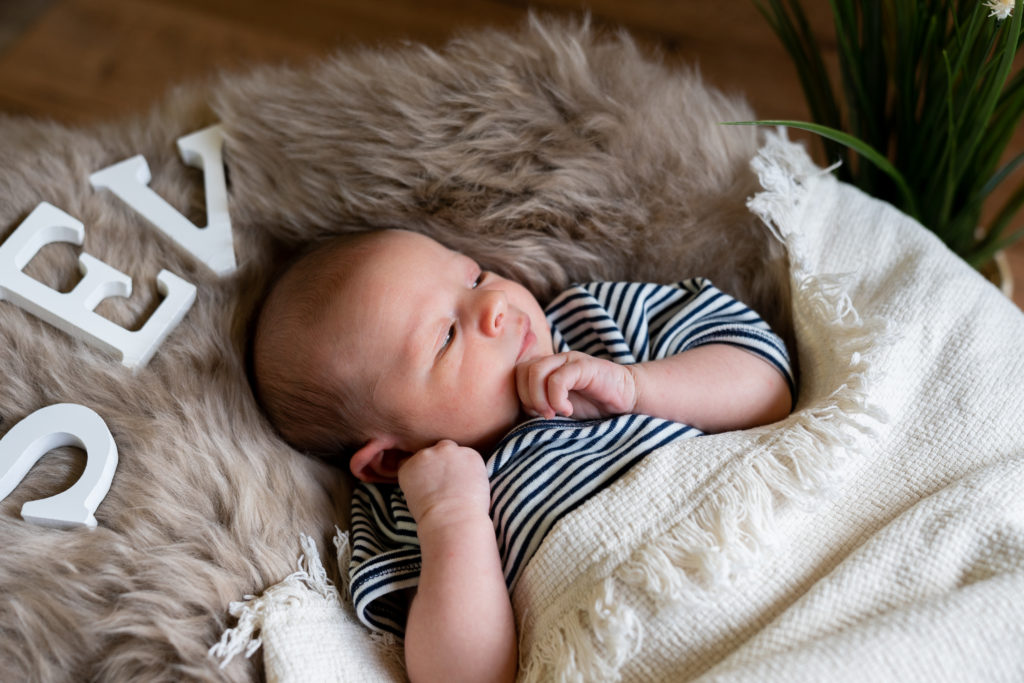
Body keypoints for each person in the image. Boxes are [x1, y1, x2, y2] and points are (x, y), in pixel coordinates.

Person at [251, 228, 794, 683]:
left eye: (474, 277)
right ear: (390, 461)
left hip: (772, 558)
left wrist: (636, 387)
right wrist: (453, 519)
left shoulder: (594, 323)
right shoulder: (416, 509)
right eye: (447, 337)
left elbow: (769, 389)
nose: (493, 304)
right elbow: (468, 676)